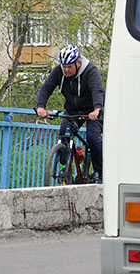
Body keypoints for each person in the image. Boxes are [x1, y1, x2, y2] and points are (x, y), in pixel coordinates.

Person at [36, 44, 105, 181]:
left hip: (93, 111)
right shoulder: (59, 71)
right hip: (73, 110)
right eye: (64, 67)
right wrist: (41, 107)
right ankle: (64, 170)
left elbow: (97, 90)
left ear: (78, 63)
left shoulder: (90, 71)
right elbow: (46, 88)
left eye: (69, 67)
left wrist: (97, 109)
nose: (66, 70)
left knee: (92, 137)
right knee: (64, 135)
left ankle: (101, 171)